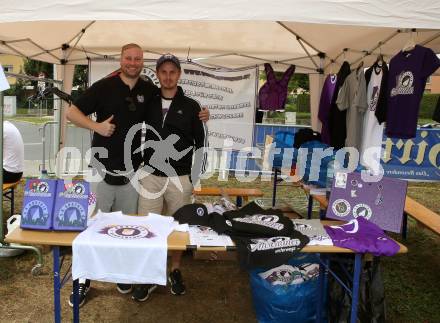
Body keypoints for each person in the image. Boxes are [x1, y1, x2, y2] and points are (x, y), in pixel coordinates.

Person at [65, 44, 209, 307]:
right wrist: (97, 126)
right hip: (104, 169)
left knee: (131, 229)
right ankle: (83, 280)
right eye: (128, 58)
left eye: (137, 59)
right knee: (92, 226)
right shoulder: (104, 86)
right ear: (121, 60)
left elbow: (179, 103)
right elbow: (71, 111)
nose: (132, 62)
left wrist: (202, 113)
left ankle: (130, 274)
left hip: (134, 173)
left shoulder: (149, 92)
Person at [134, 53, 208, 301]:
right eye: (163, 72)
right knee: (149, 228)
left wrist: (194, 177)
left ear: (179, 74)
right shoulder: (148, 101)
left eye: (172, 72)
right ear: (158, 74)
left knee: (177, 227)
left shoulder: (192, 106)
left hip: (180, 177)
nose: (167, 76)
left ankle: (175, 271)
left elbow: (201, 143)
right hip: (151, 176)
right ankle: (148, 275)